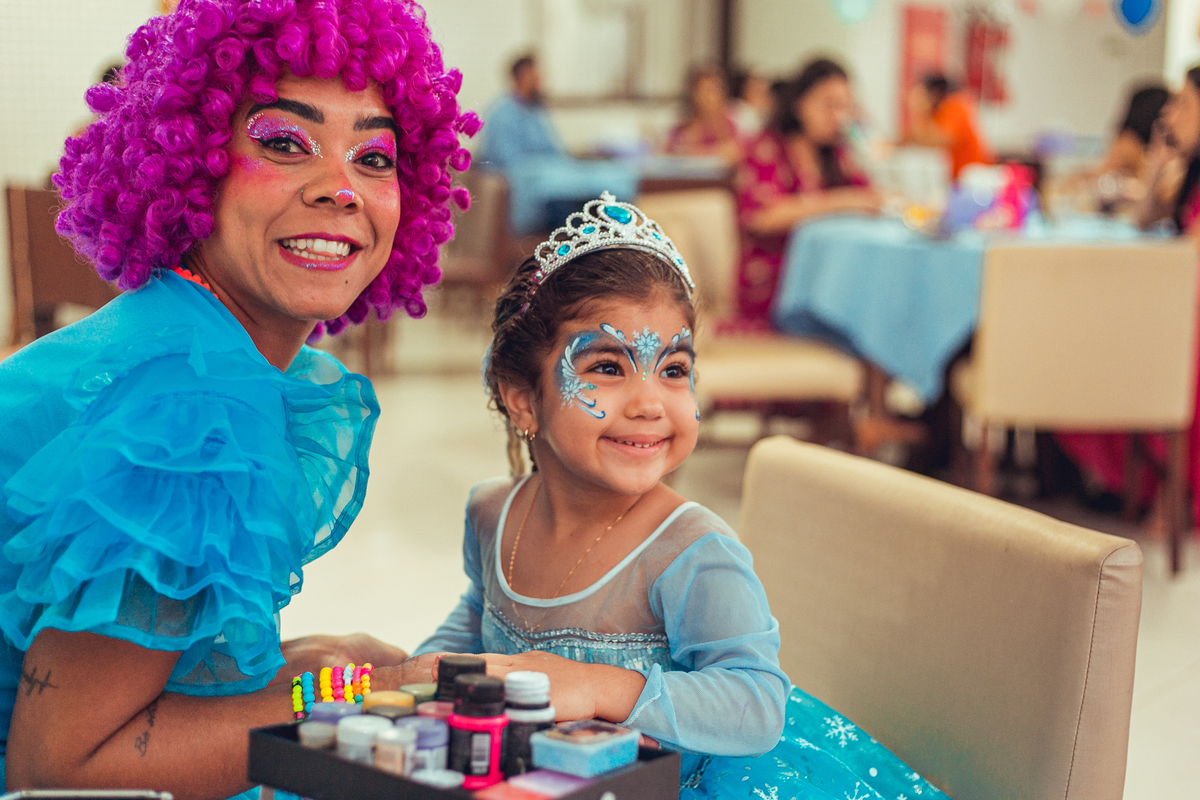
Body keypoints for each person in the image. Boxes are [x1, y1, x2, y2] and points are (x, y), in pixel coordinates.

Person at [0, 1, 479, 797]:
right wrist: (335, 695)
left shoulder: (179, 341)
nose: (341, 190)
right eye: (285, 143)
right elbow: (61, 772)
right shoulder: (186, 413)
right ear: (188, 164)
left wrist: (301, 667)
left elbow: (143, 676)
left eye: (374, 156)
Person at [415, 193, 948, 799]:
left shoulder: (691, 550)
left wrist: (595, 686)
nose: (649, 404)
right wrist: (427, 671)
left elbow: (756, 700)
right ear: (522, 398)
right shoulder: (493, 512)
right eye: (608, 368)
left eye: (672, 369)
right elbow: (480, 617)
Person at [1058, 67, 1200, 524]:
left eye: (1182, 104)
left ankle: (1169, 496)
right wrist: (1160, 162)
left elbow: (1187, 264)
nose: (1169, 114)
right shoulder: (1187, 175)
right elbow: (1143, 220)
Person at [735, 58, 881, 327]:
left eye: (845, 107)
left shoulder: (836, 156)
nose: (838, 116)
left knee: (880, 305)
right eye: (829, 105)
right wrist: (841, 201)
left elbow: (871, 198)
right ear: (799, 103)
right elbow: (762, 216)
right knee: (872, 319)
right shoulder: (767, 148)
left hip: (828, 285)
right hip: (779, 289)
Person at [478, 53, 564, 171]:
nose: (539, 83)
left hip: (550, 171)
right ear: (520, 78)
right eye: (534, 78)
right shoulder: (501, 115)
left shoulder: (536, 111)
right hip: (525, 178)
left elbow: (554, 151)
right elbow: (510, 162)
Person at [903, 73, 992, 180]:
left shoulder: (955, 105)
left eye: (920, 95)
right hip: (958, 177)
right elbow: (915, 138)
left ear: (933, 93)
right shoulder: (936, 112)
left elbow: (942, 139)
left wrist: (921, 112)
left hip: (975, 176)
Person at [664, 66, 742, 165]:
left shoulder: (730, 126)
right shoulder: (683, 127)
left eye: (712, 90)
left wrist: (693, 153)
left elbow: (734, 153)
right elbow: (671, 152)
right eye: (701, 90)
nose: (706, 97)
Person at [729, 68, 774, 139]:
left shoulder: (767, 115)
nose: (760, 94)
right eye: (756, 89)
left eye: (764, 90)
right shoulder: (734, 109)